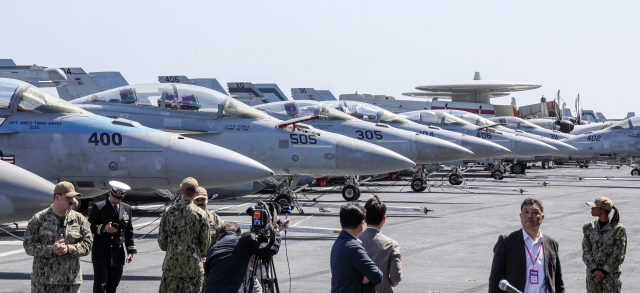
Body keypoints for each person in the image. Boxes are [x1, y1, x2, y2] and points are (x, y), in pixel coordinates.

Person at [23, 181, 93, 292]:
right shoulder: (39, 219)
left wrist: (69, 249)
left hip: (70, 282)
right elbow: (28, 246)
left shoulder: (79, 219)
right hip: (43, 282)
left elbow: (87, 245)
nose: (72, 201)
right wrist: (51, 249)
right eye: (68, 197)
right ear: (57, 197)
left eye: (73, 197)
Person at [488, 198, 564, 293]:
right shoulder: (507, 241)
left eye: (535, 212)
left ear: (542, 217)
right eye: (526, 212)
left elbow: (558, 282)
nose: (530, 216)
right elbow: (495, 279)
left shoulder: (551, 243)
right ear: (520, 216)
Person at [204, 211, 288, 293]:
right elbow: (273, 249)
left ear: (220, 235)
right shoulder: (242, 242)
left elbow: (208, 273)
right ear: (239, 233)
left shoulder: (213, 248)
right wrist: (276, 231)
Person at [158, 177, 211, 293]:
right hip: (194, 269)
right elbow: (205, 245)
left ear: (181, 191)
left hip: (171, 267)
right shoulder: (201, 215)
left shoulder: (169, 212)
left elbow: (162, 242)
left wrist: (174, 249)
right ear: (196, 193)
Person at [88, 181, 137, 293]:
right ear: (109, 192)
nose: (117, 200)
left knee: (113, 285)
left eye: (120, 198)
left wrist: (130, 251)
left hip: (118, 252)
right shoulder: (99, 207)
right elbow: (90, 226)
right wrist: (105, 228)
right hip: (101, 252)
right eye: (115, 197)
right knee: (100, 285)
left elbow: (128, 231)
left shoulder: (127, 208)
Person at [331, 202, 382, 293]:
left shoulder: (339, 242)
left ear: (341, 222)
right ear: (362, 224)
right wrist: (368, 274)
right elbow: (377, 276)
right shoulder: (354, 248)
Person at [583, 197, 627, 293]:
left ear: (602, 210)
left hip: (611, 276)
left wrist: (604, 271)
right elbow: (586, 251)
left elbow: (619, 254)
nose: (591, 209)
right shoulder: (589, 228)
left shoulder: (618, 229)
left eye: (594, 207)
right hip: (593, 276)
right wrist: (595, 269)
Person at [359, 195, 402, 293]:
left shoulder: (353, 242)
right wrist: (387, 283)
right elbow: (396, 277)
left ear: (364, 219)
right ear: (384, 219)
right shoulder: (391, 245)